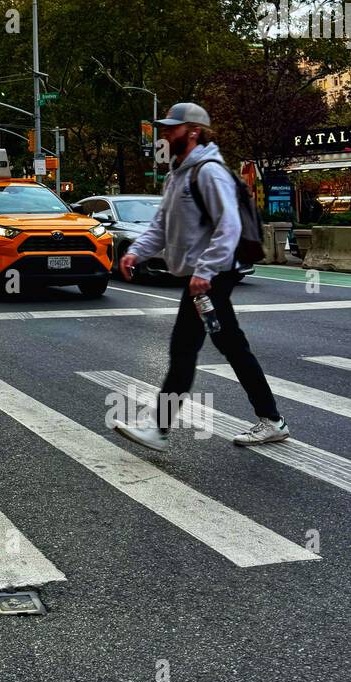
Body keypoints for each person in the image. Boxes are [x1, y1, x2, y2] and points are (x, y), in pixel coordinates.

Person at [116, 102, 288, 452]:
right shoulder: (177, 174)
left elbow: (229, 226)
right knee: (231, 346)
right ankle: (272, 419)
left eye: (172, 128)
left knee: (184, 348)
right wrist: (136, 252)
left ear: (193, 131)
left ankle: (159, 428)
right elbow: (161, 227)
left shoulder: (209, 172)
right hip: (201, 277)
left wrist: (206, 271)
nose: (165, 133)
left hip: (212, 277)